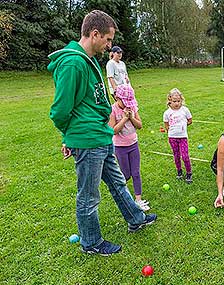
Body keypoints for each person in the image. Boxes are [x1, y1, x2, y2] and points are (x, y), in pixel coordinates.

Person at [48, 10, 157, 256]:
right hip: (87, 139)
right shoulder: (72, 63)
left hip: (101, 135)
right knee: (89, 195)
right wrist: (70, 136)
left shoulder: (87, 59)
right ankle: (91, 242)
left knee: (118, 182)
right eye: (108, 40)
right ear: (94, 34)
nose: (110, 46)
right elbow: (60, 110)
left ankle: (135, 218)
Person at [108, 84, 149, 211]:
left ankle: (138, 199)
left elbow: (140, 125)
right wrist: (125, 119)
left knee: (136, 173)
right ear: (116, 97)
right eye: (123, 102)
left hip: (133, 144)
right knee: (125, 174)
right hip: (120, 147)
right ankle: (124, 196)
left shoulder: (132, 108)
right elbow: (113, 130)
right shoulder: (113, 110)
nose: (126, 105)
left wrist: (131, 117)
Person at [163, 88, 193, 184]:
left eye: (179, 101)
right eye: (174, 101)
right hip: (172, 137)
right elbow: (166, 125)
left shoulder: (185, 110)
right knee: (176, 155)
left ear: (181, 100)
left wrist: (182, 126)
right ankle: (179, 171)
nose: (177, 103)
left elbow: (190, 121)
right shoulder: (167, 113)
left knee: (185, 156)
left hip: (183, 137)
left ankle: (189, 173)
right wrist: (172, 131)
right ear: (169, 100)